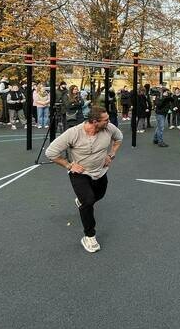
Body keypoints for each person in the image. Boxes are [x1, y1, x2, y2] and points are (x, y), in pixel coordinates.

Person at [45, 106, 123, 253]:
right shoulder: (73, 133)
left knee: (98, 196)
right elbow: (51, 152)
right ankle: (89, 236)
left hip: (100, 171)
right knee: (88, 201)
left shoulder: (109, 128)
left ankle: (81, 201)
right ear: (94, 121)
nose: (109, 121)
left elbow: (119, 139)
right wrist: (69, 165)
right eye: (105, 120)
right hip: (80, 173)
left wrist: (111, 154)